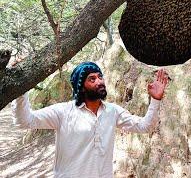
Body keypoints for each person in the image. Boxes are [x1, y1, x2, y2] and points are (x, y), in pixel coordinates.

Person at [11, 61, 168, 178]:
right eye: (92, 79)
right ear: (81, 87)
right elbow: (25, 121)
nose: (99, 81)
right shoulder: (63, 112)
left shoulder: (112, 111)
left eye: (100, 77)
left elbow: (145, 126)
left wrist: (155, 100)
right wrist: (20, 91)